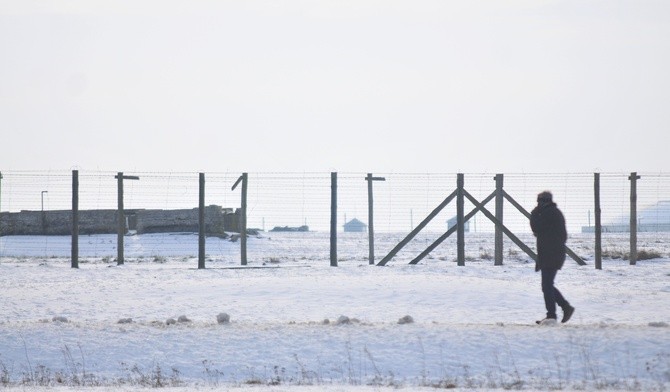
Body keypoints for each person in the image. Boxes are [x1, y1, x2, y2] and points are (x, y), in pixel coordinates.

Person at [530, 191, 575, 325]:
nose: (538, 204)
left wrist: (533, 214)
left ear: (544, 201)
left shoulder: (548, 214)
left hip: (551, 254)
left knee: (547, 285)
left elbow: (536, 227)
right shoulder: (553, 213)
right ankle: (563, 308)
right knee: (547, 285)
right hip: (551, 253)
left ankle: (553, 315)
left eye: (540, 201)